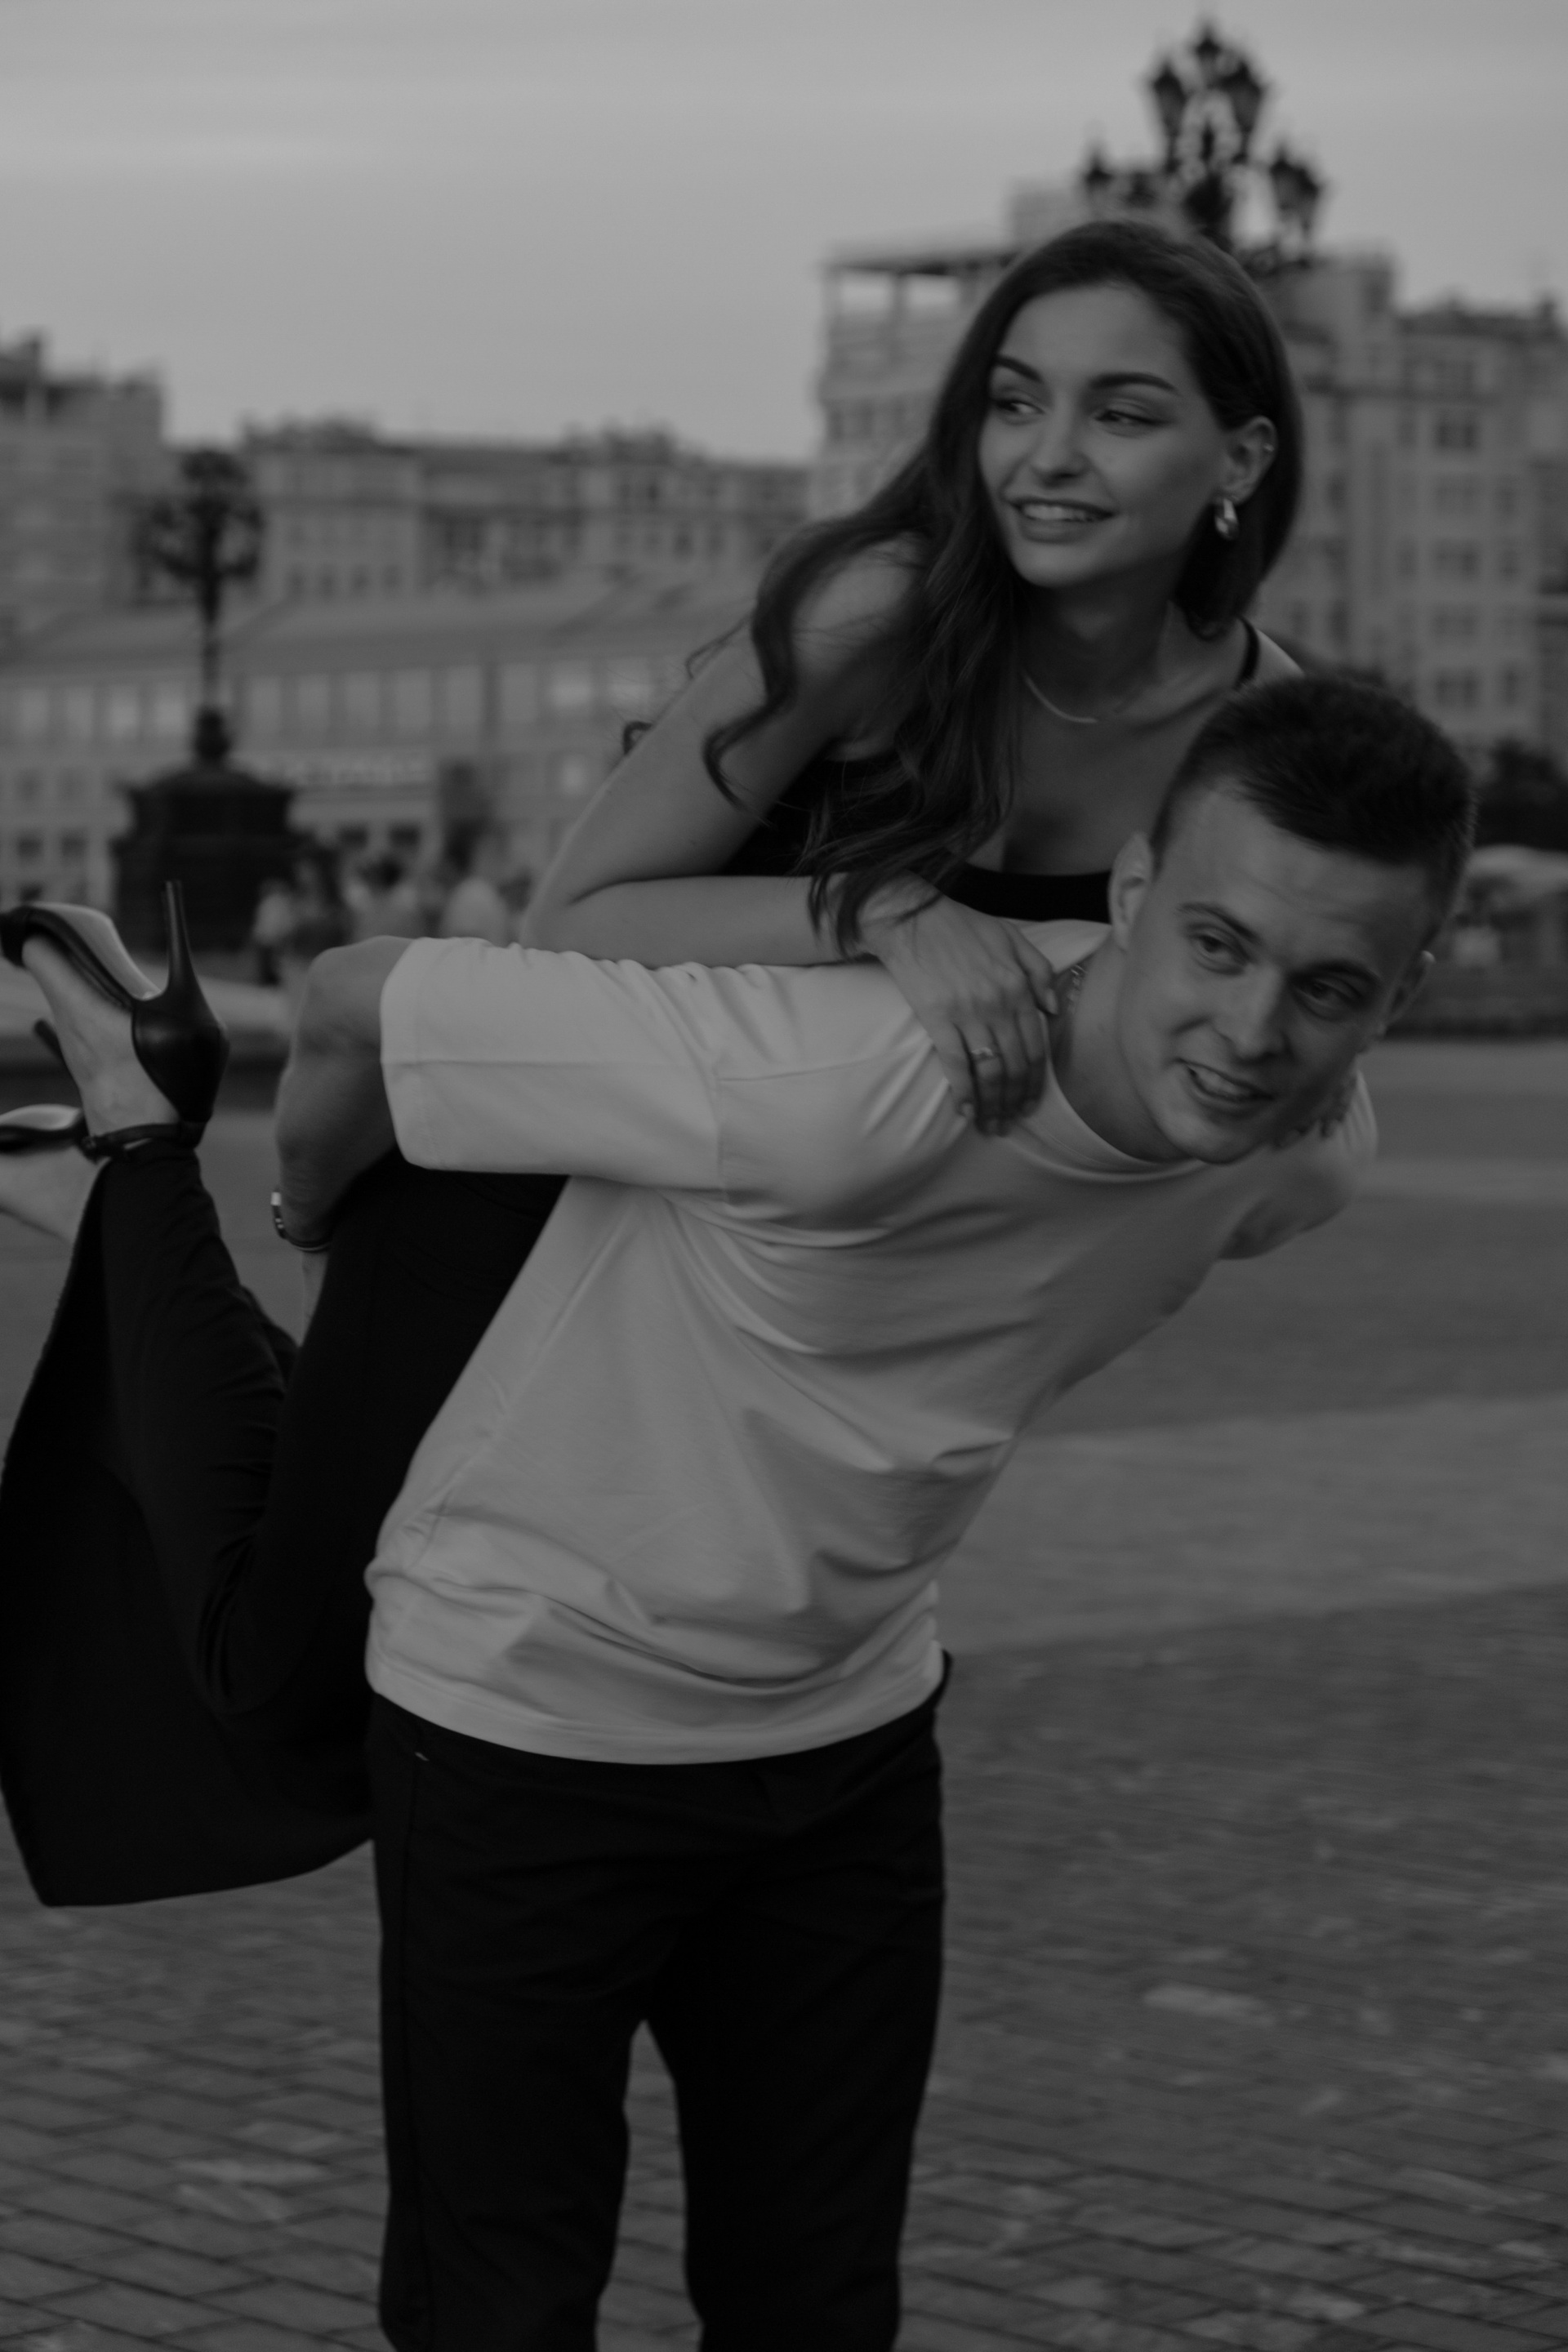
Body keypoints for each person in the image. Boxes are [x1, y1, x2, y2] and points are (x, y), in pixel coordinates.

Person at [0, 678, 1475, 2351]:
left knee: (816, 2309)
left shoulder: (1304, 1152)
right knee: (499, 2313)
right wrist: (314, 1214)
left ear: (1401, 992)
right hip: (528, 1719)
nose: (1255, 1030)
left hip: (845, 1750)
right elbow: (352, 1004)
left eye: (1329, 987)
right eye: (1218, 945)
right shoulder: (832, 1076)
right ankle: (140, 1146)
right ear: (1134, 890)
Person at [524, 217, 1303, 1134]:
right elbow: (571, 917)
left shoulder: (1257, 720)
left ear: (1241, 460)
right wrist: (882, 911)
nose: (1049, 456)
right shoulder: (875, 614)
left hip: (943, 1205)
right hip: (636, 1156)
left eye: (1120, 415)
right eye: (1015, 403)